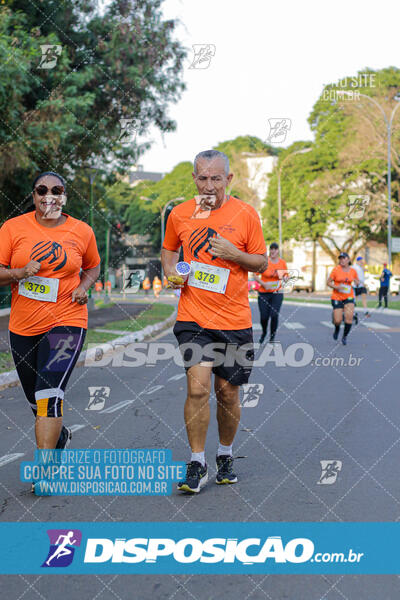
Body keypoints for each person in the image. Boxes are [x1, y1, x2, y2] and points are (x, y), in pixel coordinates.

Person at [161, 149, 267, 493]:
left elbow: (262, 263)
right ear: (194, 179)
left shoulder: (246, 214)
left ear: (229, 179)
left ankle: (224, 453)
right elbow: (168, 250)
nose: (209, 186)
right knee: (197, 387)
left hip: (234, 320)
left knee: (228, 393)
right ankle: (196, 461)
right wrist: (169, 271)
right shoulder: (179, 214)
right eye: (203, 178)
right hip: (193, 318)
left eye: (216, 178)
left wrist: (235, 255)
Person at [0, 172, 100, 491]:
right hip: (24, 325)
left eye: (57, 190)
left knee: (48, 394)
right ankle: (61, 436)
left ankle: (45, 470)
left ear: (65, 196)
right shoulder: (13, 228)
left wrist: (84, 286)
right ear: (33, 196)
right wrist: (18, 273)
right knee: (34, 400)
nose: (49, 195)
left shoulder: (81, 231)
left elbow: (94, 265)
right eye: (42, 190)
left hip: (68, 320)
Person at [255, 242, 288, 343]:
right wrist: (264, 284)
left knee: (274, 315)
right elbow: (256, 275)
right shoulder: (265, 261)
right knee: (264, 317)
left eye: (275, 249)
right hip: (263, 293)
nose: (273, 251)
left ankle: (272, 336)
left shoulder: (282, 263)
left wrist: (286, 278)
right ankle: (264, 332)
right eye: (271, 249)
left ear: (278, 251)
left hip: (277, 293)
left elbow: (285, 275)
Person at [327, 252, 359, 345]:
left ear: (348, 260)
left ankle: (345, 336)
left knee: (349, 318)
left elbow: (356, 280)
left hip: (349, 296)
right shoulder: (336, 270)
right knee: (337, 320)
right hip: (337, 296)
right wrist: (336, 287)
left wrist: (357, 282)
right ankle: (337, 328)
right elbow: (328, 282)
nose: (341, 260)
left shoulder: (353, 271)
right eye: (340, 258)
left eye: (343, 258)